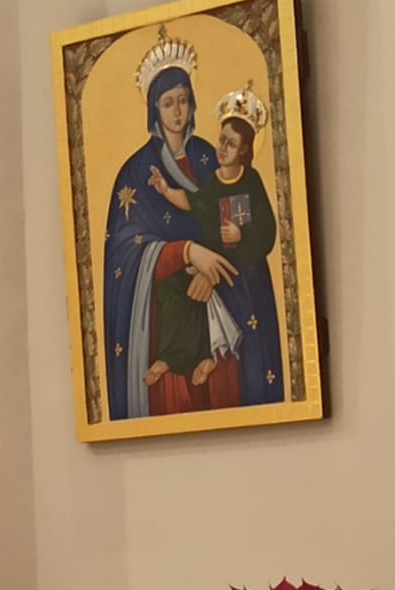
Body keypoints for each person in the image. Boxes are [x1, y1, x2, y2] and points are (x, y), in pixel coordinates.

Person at [100, 28, 246, 423]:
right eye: (168, 103)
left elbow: (239, 222)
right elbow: (125, 248)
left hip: (217, 292)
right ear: (154, 109)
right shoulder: (136, 170)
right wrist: (183, 253)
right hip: (165, 316)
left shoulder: (213, 158)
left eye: (183, 100)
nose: (177, 111)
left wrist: (212, 273)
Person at [140, 84, 284, 411]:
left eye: (231, 144)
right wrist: (164, 190)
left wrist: (241, 236)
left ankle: (210, 357)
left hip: (244, 270)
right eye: (222, 140)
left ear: (245, 150)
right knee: (174, 286)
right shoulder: (213, 180)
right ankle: (178, 357)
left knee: (212, 296)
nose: (222, 148)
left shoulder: (251, 182)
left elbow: (267, 232)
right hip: (215, 260)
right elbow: (192, 202)